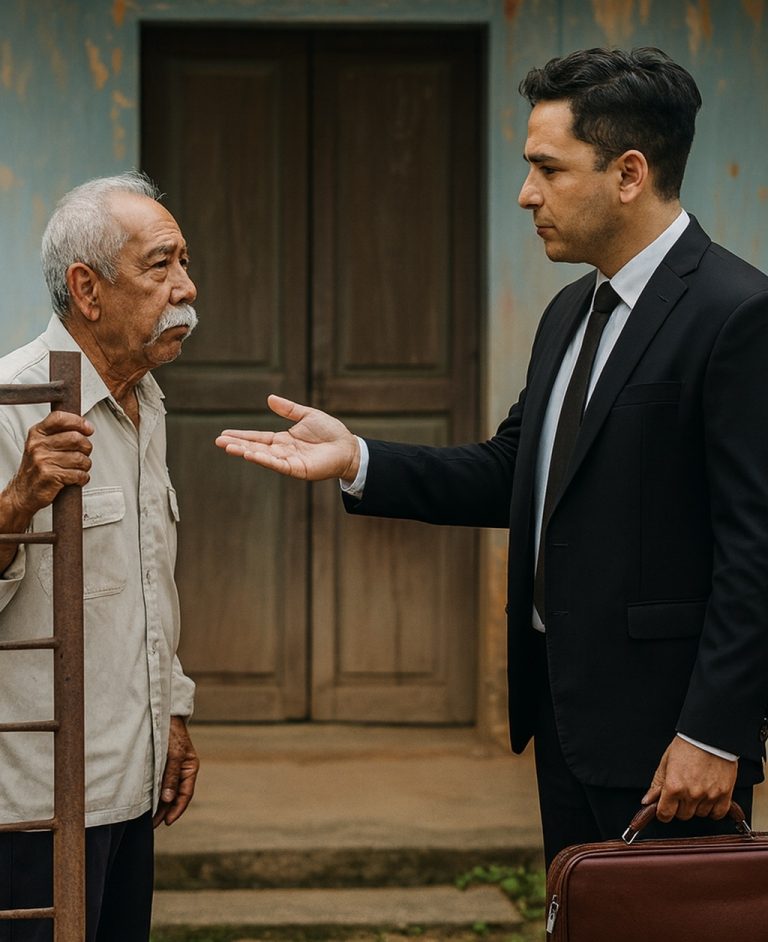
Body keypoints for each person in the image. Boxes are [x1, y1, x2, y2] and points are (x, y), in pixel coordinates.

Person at [215, 47, 768, 866]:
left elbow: (756, 549)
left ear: (629, 173)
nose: (525, 194)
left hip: (670, 741)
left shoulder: (737, 313)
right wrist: (357, 457)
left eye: (547, 169)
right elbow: (520, 474)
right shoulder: (569, 312)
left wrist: (713, 734)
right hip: (563, 717)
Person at [0, 171, 200, 940]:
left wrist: (172, 711)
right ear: (87, 289)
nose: (186, 286)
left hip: (128, 786)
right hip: (32, 802)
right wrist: (18, 501)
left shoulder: (145, 401)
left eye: (184, 262)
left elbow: (148, 580)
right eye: (161, 265)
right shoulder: (15, 402)